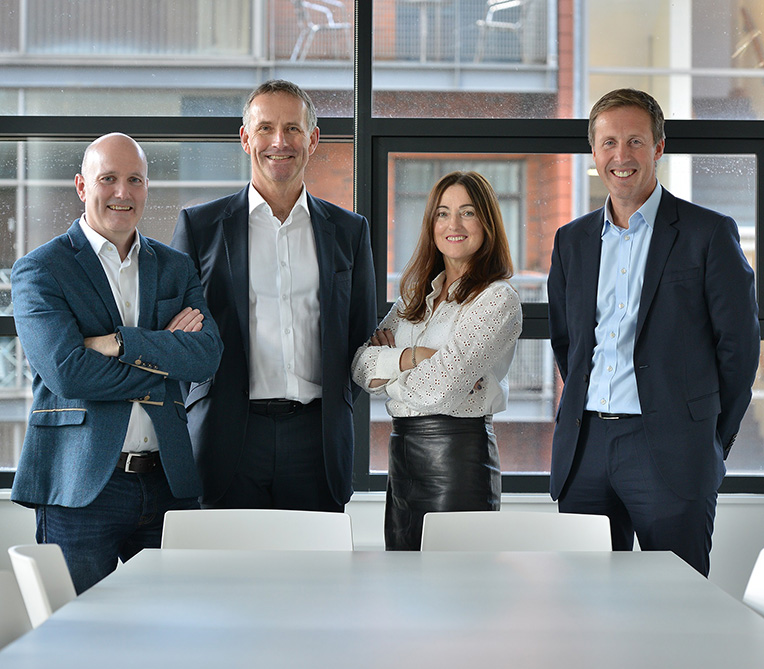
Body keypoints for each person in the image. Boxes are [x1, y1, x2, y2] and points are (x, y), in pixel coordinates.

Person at [548, 88, 760, 576]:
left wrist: (706, 437)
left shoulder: (709, 233)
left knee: (678, 600)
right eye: (608, 143)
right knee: (584, 604)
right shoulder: (571, 241)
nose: (621, 156)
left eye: (635, 142)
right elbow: (569, 342)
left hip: (670, 449)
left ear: (659, 147)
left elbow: (739, 351)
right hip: (586, 449)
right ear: (594, 152)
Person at [11, 133, 223, 593]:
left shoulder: (175, 267)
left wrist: (117, 343)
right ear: (82, 186)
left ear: (147, 187)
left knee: (180, 630)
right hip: (81, 485)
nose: (122, 192)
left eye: (135, 180)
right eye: (108, 179)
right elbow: (68, 372)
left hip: (168, 480)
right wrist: (165, 352)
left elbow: (206, 357)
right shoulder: (41, 269)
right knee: (79, 636)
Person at [171, 80, 376, 512]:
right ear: (245, 139)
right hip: (228, 437)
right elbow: (179, 337)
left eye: (293, 129)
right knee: (229, 577)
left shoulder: (349, 232)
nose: (279, 142)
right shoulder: (200, 227)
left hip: (316, 441)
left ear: (313, 139)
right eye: (265, 128)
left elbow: (359, 335)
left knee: (315, 577)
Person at [352, 171, 522, 550]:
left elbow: (440, 391)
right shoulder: (416, 297)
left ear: (487, 223)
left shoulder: (497, 299)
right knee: (403, 588)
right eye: (443, 214)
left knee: (455, 591)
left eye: (467, 212)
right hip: (403, 459)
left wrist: (391, 364)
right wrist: (416, 357)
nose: (453, 225)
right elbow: (361, 367)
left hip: (458, 460)